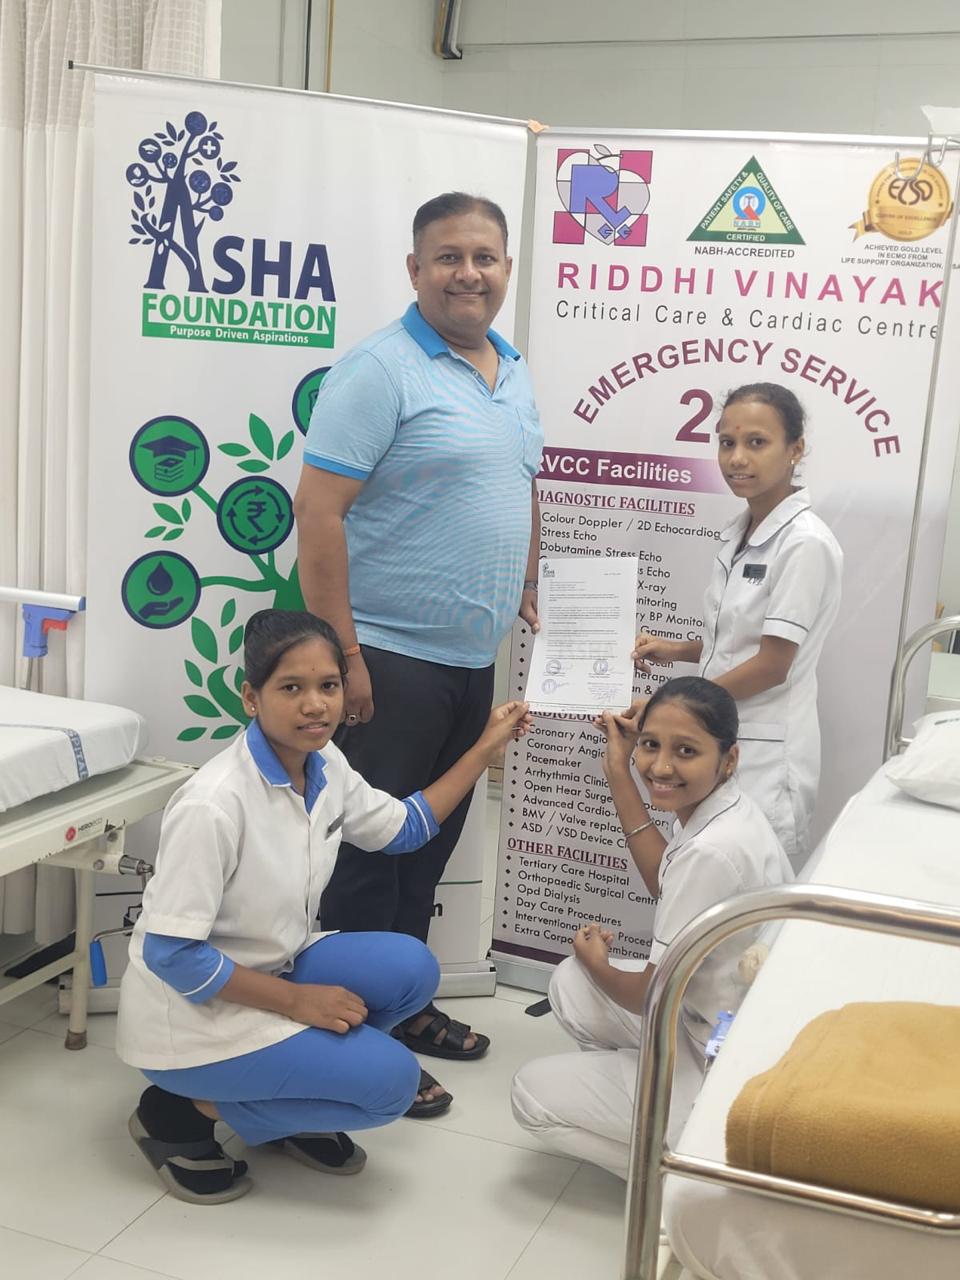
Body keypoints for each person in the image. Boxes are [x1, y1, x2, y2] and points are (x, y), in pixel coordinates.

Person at [116, 610, 531, 1204]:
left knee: (411, 967)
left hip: (273, 967)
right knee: (392, 1084)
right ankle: (178, 1111)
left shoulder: (325, 763)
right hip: (191, 1016)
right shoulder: (213, 804)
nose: (315, 705)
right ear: (251, 698)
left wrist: (486, 745)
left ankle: (286, 1103)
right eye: (292, 688)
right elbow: (173, 956)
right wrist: (298, 1002)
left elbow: (404, 829)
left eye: (328, 686)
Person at [293, 191, 543, 1115]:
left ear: (506, 269)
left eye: (483, 257)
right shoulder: (379, 370)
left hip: (472, 659)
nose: (467, 273)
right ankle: (356, 1037)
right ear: (414, 270)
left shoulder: (510, 370)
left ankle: (405, 1005)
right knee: (370, 856)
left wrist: (524, 579)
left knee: (425, 849)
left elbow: (517, 486)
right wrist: (345, 658)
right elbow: (317, 518)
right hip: (389, 658)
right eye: (447, 257)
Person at [511, 677, 792, 1178]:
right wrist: (619, 768)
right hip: (714, 1018)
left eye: (686, 750)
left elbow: (651, 997)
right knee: (568, 983)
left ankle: (685, 1172)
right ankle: (646, 1103)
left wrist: (598, 963)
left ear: (729, 759)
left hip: (721, 1054)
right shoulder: (728, 809)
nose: (660, 767)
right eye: (650, 745)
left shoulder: (711, 851)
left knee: (531, 1096)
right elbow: (663, 877)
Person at [633, 383, 842, 866]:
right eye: (727, 443)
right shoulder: (742, 531)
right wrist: (675, 649)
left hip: (765, 757)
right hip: (721, 740)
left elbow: (772, 663)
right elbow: (736, 637)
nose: (737, 458)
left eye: (756, 442)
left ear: (796, 449)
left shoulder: (803, 543)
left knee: (753, 896)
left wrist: (673, 710)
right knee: (706, 873)